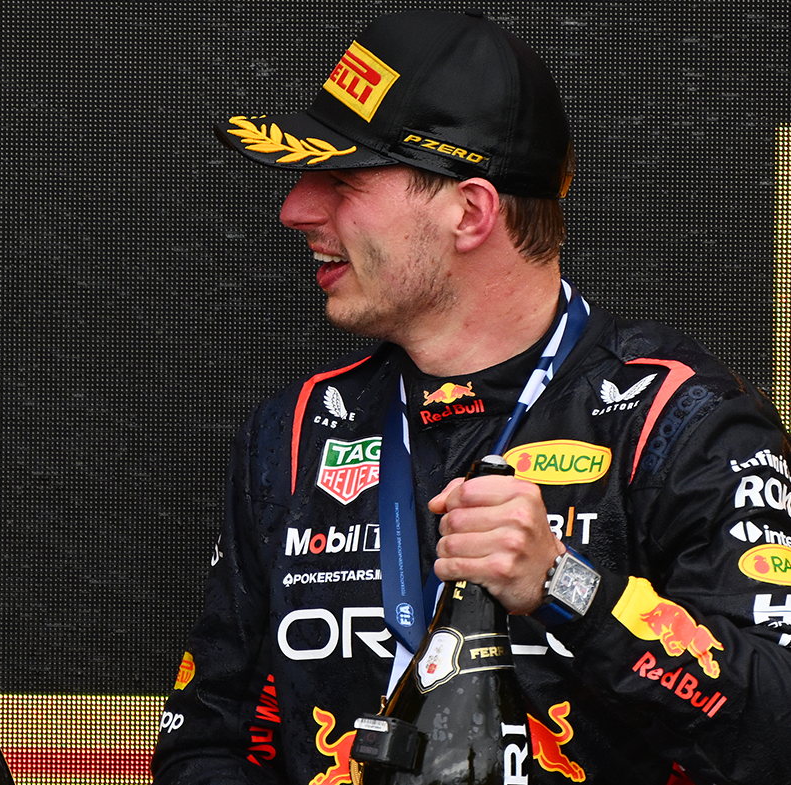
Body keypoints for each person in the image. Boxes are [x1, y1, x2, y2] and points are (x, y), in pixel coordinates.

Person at [154, 10, 791, 785]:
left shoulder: (679, 420)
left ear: (471, 211)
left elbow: (775, 730)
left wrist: (567, 588)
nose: (297, 209)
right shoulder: (294, 435)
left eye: (342, 180)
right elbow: (207, 744)